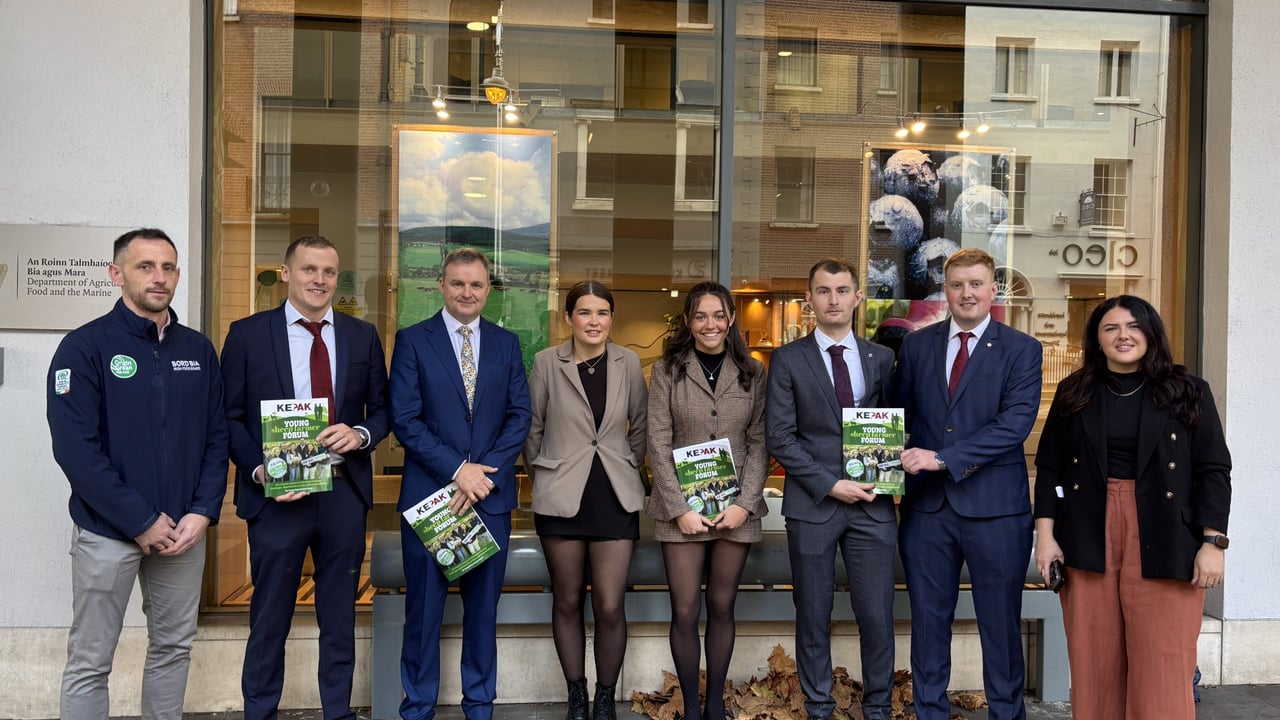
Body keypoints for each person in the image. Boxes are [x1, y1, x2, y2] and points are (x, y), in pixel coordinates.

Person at [47, 228, 228, 720]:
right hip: (109, 532)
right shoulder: (84, 348)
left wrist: (202, 513)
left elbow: (217, 439)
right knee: (91, 659)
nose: (159, 277)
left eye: (168, 267)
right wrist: (140, 519)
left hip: (183, 535)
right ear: (116, 273)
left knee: (172, 650)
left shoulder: (198, 349)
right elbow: (76, 451)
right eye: (145, 266)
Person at [1034, 295, 1231, 720]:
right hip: (1088, 532)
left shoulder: (1188, 390)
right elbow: (1048, 467)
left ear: (1150, 333)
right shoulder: (1076, 391)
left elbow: (1214, 469)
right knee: (1094, 660)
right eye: (1111, 328)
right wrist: (1046, 539)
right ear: (1097, 339)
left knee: (1164, 660)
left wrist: (1213, 542)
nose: (1123, 336)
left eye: (1133, 327)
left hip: (1166, 534)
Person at [221, 235, 390, 720]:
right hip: (276, 496)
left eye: (329, 272)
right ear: (287, 272)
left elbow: (381, 411)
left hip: (342, 494)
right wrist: (259, 469)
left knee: (338, 616)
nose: (319, 280)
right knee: (269, 616)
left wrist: (359, 433)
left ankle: (336, 712)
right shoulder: (248, 334)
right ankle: (260, 712)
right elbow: (228, 418)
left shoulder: (361, 336)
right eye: (310, 270)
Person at [893, 247, 1042, 720]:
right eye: (957, 285)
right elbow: (903, 418)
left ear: (993, 288)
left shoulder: (1022, 349)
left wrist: (942, 458)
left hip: (997, 511)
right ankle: (929, 713)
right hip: (928, 513)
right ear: (946, 290)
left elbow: (1014, 425)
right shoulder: (917, 346)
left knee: (999, 624)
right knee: (927, 624)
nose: (966, 293)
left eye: (976, 283)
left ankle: (1006, 713)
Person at [390, 248, 532, 720]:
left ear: (488, 289)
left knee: (481, 615)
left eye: (476, 284)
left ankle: (479, 706)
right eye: (457, 283)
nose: (467, 292)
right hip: (431, 499)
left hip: (488, 501)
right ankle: (418, 708)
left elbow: (520, 416)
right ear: (441, 286)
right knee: (423, 616)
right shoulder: (412, 340)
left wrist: (481, 474)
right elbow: (405, 420)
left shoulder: (507, 343)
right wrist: (458, 471)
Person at [765, 258, 897, 720]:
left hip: (873, 505)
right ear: (810, 300)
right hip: (813, 504)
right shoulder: (786, 359)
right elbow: (780, 436)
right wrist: (830, 483)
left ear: (859, 297)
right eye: (824, 291)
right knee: (813, 614)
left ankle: (878, 707)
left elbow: (893, 428)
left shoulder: (882, 359)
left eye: (843, 290)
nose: (834, 299)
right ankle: (818, 707)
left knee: (878, 616)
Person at [523, 281, 647, 720]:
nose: (594, 322)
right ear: (569, 318)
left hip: (614, 493)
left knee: (611, 604)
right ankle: (576, 696)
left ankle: (604, 698)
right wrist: (548, 472)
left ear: (611, 319)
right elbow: (531, 428)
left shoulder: (628, 362)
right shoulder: (545, 363)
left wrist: (627, 463)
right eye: (585, 313)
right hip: (561, 496)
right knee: (568, 600)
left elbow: (641, 425)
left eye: (602, 313)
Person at [647, 281, 768, 720]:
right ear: (688, 322)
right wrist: (680, 509)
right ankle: (691, 706)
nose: (710, 324)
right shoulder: (666, 371)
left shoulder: (753, 373)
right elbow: (657, 443)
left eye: (718, 316)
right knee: (684, 609)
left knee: (721, 605)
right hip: (682, 511)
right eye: (701, 316)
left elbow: (759, 442)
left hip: (736, 508)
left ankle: (715, 702)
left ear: (731, 319)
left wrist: (744, 503)